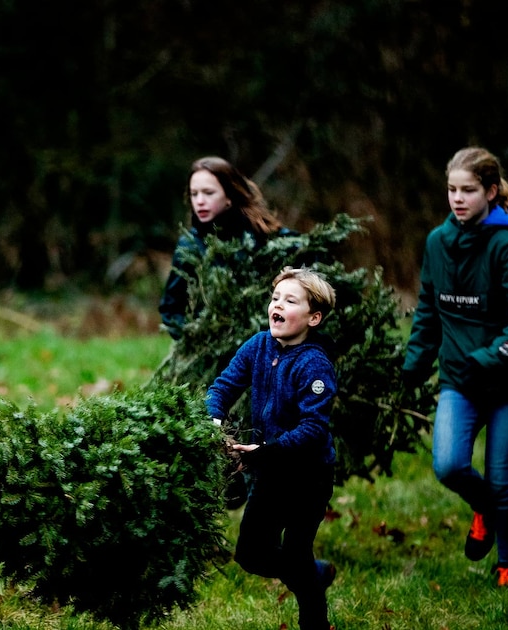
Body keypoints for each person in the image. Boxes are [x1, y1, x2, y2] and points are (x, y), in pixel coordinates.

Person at [402, 146, 508, 588]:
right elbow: (428, 309)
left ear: (490, 191)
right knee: (448, 465)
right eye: (451, 190)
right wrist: (413, 364)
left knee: (502, 479)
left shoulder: (507, 247)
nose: (458, 198)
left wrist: (490, 355)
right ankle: (484, 509)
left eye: (468, 190)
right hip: (460, 381)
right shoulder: (436, 243)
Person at [206, 266, 339, 630]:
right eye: (275, 297)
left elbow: (313, 429)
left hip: (308, 477)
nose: (277, 305)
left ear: (313, 318)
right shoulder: (258, 346)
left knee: (296, 554)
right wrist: (214, 421)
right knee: (250, 555)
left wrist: (265, 451)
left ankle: (315, 622)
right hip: (271, 475)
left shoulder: (314, 365)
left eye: (290, 300)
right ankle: (316, 572)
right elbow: (222, 387)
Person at [158, 156, 292, 340]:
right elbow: (171, 307)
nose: (200, 201)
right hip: (210, 348)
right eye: (194, 194)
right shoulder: (189, 245)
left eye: (208, 193)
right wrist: (194, 337)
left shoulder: (263, 237)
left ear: (229, 196)